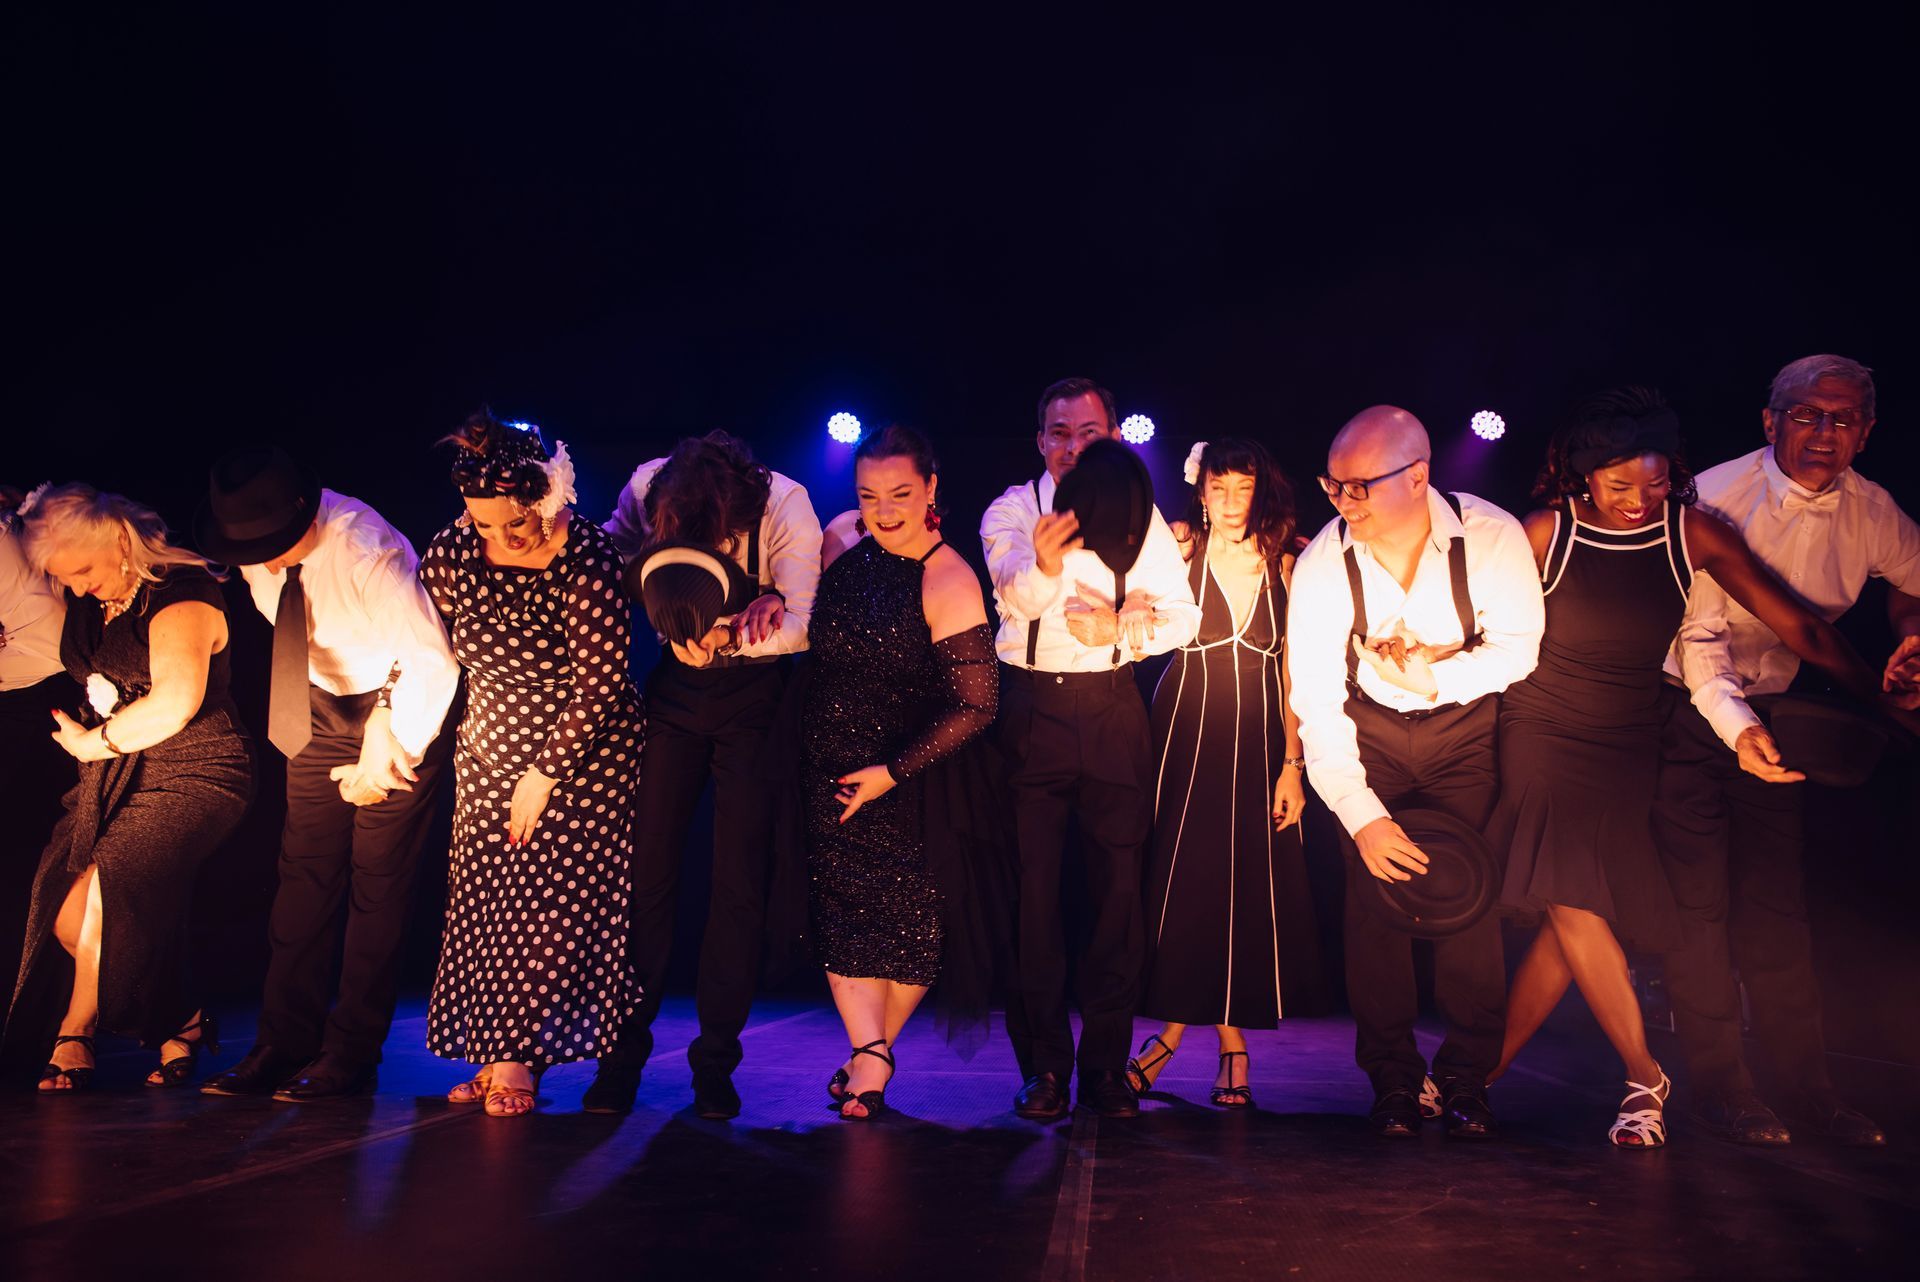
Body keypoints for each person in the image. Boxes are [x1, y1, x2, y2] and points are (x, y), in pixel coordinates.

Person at [1490, 387, 1896, 1148]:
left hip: (1632, 738)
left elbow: (1801, 625)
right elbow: (1477, 618)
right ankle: (1645, 1073)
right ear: (1581, 479)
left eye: (1653, 482)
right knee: (1571, 900)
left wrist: (1883, 699)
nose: (1639, 500)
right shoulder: (1545, 531)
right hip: (1542, 729)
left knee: (1576, 907)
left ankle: (1475, 1075)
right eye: (1619, 487)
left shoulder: (1697, 534)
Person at [1653, 355, 1920, 1148]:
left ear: (1866, 435)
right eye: (1806, 415)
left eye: (1842, 420)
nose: (1823, 434)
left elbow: (1914, 582)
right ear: (1771, 422)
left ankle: (1808, 1091)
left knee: (1776, 910)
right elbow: (1695, 638)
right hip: (1684, 713)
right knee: (1699, 913)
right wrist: (1740, 732)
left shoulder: (1873, 511)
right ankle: (1721, 1089)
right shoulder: (1714, 495)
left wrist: (1911, 636)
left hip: (1780, 715)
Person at [1287, 406, 1544, 1140]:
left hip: (1463, 732)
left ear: (1419, 476)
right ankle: (1394, 1081)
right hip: (1365, 733)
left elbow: (1519, 650)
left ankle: (1466, 1078)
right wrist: (1363, 817)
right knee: (1376, 909)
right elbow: (1316, 699)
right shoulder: (1323, 564)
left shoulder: (1490, 537)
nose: (1342, 503)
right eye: (1334, 487)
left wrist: (1438, 681)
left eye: (1359, 487)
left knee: (1468, 901)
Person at [194, 446, 460, 1101]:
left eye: (277, 544)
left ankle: (350, 1054)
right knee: (303, 877)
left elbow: (429, 658)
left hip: (397, 702)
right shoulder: (254, 547)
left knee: (377, 886)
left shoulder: (366, 549)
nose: (267, 557)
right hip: (312, 701)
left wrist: (386, 736)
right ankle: (282, 1044)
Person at [981, 377, 1201, 1120]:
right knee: (1034, 900)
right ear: (1040, 440)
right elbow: (1012, 594)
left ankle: (1106, 1070)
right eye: (1059, 432)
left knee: (1118, 900)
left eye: (1090, 432)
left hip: (1112, 710)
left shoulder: (1140, 510)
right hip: (1032, 711)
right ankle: (1043, 1069)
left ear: (1111, 436)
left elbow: (1184, 617)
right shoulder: (1013, 510)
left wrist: (1128, 626)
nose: (1074, 445)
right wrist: (1045, 566)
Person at [588, 431, 822, 1118]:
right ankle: (620, 1059)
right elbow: (607, 559)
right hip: (674, 695)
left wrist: (738, 630)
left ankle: (715, 1063)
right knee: (646, 873)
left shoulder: (783, 501)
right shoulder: (644, 484)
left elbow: (806, 620)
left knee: (737, 885)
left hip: (753, 697)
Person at [418, 413, 643, 1118]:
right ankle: (495, 1051)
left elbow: (601, 683)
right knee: (487, 902)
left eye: (503, 523)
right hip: (488, 746)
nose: (490, 537)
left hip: (579, 757)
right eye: (478, 522)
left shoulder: (588, 560)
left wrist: (543, 773)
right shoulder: (453, 551)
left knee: (547, 908)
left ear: (541, 500)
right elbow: (433, 640)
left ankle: (520, 1056)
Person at [3, 484, 254, 1090]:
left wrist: (94, 743)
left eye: (85, 571)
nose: (81, 587)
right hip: (115, 773)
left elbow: (174, 702)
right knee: (66, 915)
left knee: (109, 887)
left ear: (119, 536)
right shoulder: (93, 598)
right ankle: (182, 1019)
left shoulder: (181, 592)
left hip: (197, 766)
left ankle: (76, 1029)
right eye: (69, 578)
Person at [801, 424, 998, 1119]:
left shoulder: (948, 575)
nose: (884, 510)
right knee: (841, 916)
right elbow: (809, 627)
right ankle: (872, 1058)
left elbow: (978, 704)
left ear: (932, 489)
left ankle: (869, 1054)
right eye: (869, 495)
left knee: (915, 933)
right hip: (826, 761)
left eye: (901, 495)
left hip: (911, 772)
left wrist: (890, 771)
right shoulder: (838, 539)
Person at [1129, 437, 1320, 1108]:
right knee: (1185, 883)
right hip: (1183, 729)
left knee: (1242, 886)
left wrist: (1293, 765)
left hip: (1260, 736)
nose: (1232, 502)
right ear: (1201, 490)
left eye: (1244, 489)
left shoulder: (1289, 564)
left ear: (1260, 492)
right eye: (1220, 488)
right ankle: (1191, 1042)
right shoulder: (1180, 553)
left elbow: (1297, 670)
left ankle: (1205, 1044)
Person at [1, 488, 74, 974]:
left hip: (50, 688)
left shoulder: (8, 541)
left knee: (41, 844)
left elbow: (45, 631)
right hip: (22, 690)